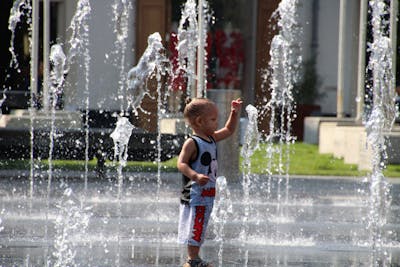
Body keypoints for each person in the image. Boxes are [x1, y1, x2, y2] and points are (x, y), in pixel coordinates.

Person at [177, 97, 243, 267]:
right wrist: (195, 176)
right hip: (195, 193)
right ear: (199, 121)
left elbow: (229, 130)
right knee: (196, 225)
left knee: (202, 225)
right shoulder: (192, 143)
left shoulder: (211, 138)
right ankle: (192, 260)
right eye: (213, 120)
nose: (217, 123)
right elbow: (181, 163)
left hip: (207, 192)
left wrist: (234, 114)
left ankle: (195, 258)